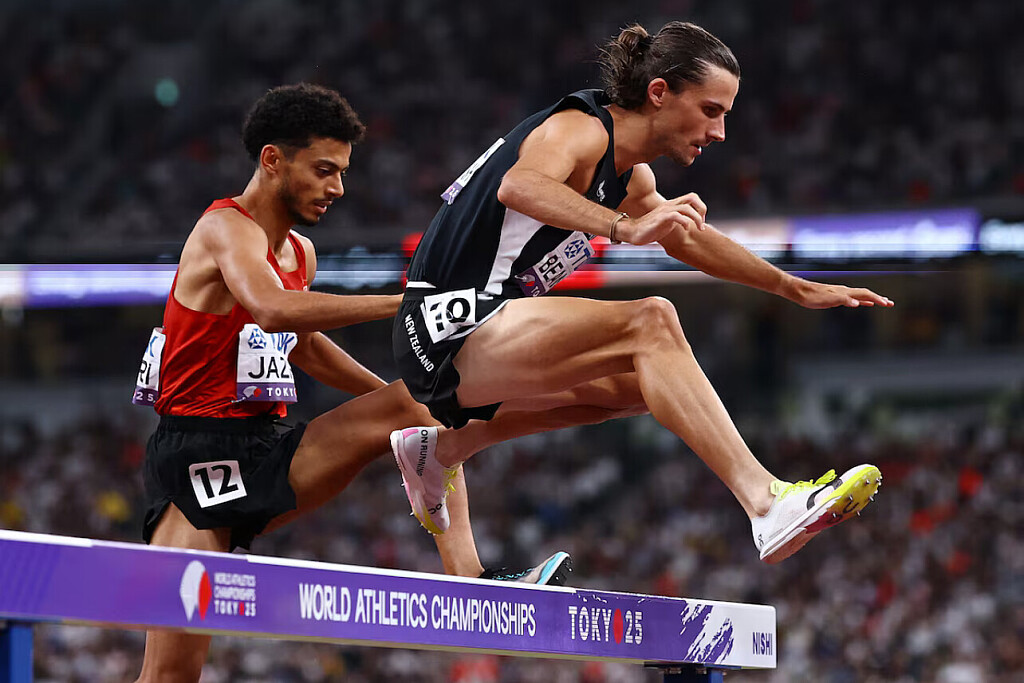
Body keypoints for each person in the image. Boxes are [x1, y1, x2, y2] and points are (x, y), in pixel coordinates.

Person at [391, 21, 891, 564]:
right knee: (652, 320)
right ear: (659, 93)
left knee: (643, 386)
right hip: (442, 326)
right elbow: (520, 185)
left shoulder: (632, 177)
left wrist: (794, 288)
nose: (720, 132)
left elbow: (687, 239)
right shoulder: (579, 130)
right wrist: (623, 227)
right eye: (710, 110)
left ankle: (443, 449)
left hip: (487, 330)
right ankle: (767, 504)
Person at [132, 83, 575, 683]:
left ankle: (474, 584)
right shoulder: (223, 229)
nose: (338, 188)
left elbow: (305, 345)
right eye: (324, 170)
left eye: (342, 172)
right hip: (194, 459)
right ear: (272, 160)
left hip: (265, 446)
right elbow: (274, 311)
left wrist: (395, 400)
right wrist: (407, 304)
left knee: (421, 403)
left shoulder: (301, 253)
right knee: (170, 675)